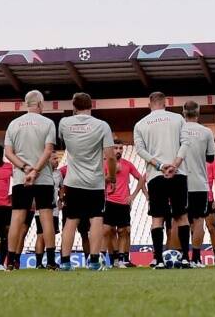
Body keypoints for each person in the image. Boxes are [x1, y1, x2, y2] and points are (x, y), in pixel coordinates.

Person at [56, 92, 115, 270]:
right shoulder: (101, 125)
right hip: (94, 181)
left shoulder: (64, 123)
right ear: (91, 106)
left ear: (74, 107)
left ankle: (65, 262)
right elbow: (110, 156)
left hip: (72, 181)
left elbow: (62, 142)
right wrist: (111, 176)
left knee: (71, 220)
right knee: (96, 219)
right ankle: (95, 261)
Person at [132, 91, 191, 268]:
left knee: (157, 218)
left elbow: (140, 150)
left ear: (149, 104)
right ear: (165, 102)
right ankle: (185, 258)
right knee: (182, 216)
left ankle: (157, 259)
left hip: (156, 175)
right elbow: (186, 143)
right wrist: (174, 164)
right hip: (178, 172)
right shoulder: (178, 119)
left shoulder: (141, 124)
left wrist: (159, 166)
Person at [4, 90, 58, 270]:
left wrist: (25, 168)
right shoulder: (48, 123)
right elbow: (48, 150)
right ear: (41, 103)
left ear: (26, 104)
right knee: (46, 218)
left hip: (21, 178)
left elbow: (8, 153)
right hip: (43, 178)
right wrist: (35, 170)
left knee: (17, 218)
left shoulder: (13, 124)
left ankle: (10, 262)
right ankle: (50, 261)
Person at [180, 100, 215, 266]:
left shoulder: (178, 130)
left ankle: (182, 257)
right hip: (199, 183)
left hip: (180, 182)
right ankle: (195, 258)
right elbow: (210, 158)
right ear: (198, 112)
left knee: (180, 220)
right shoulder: (206, 132)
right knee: (199, 221)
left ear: (183, 112)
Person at [103, 139, 144, 268]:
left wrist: (133, 195)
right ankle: (108, 257)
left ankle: (121, 259)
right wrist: (112, 173)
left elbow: (141, 178)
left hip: (124, 203)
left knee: (123, 231)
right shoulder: (105, 164)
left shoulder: (128, 164)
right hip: (109, 201)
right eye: (116, 148)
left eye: (120, 148)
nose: (118, 150)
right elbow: (98, 180)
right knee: (108, 230)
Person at [203, 150, 215, 265]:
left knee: (211, 228)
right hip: (195, 198)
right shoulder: (194, 159)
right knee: (194, 229)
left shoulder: (214, 161)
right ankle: (196, 257)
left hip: (209, 199)